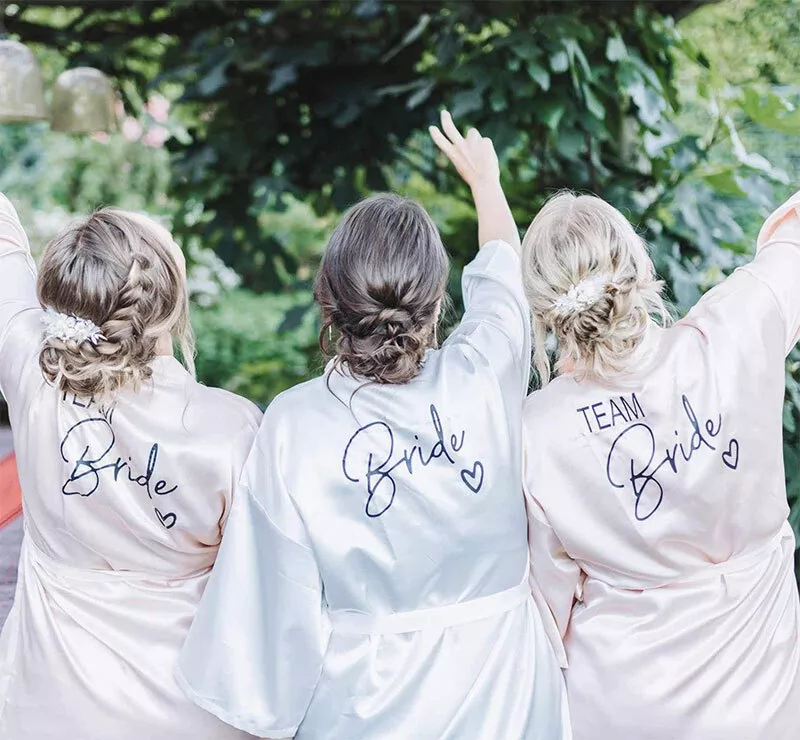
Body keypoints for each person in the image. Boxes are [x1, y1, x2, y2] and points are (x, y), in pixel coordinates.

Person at [177, 111, 571, 740]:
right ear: (438, 301)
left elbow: (272, 599)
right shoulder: (483, 375)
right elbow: (503, 275)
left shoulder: (294, 424)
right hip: (505, 694)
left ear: (327, 302)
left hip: (364, 706)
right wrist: (485, 182)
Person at [520, 191, 800, 740]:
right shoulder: (734, 330)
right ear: (637, 263)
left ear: (545, 312)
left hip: (620, 709)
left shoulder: (535, 431)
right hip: (761, 701)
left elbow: (546, 615)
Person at [0, 198, 262, 740]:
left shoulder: (33, 381)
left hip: (51, 711)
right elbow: (262, 588)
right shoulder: (231, 429)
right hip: (196, 714)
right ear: (167, 301)